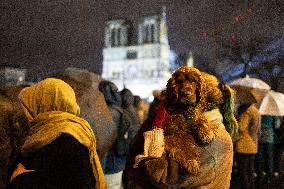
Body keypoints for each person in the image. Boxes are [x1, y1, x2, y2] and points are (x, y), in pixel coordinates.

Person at [123, 66, 238, 189]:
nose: (186, 90)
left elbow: (161, 177)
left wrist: (147, 160)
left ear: (202, 96)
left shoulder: (211, 137)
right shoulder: (220, 129)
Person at [8, 78, 106, 189]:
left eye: (30, 106)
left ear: (44, 104)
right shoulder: (50, 131)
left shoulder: (67, 140)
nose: (26, 113)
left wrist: (22, 179)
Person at [99, 81, 132, 189]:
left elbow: (104, 142)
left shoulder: (109, 113)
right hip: (119, 159)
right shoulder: (120, 110)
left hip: (110, 162)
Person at [234, 103, 261, 189]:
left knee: (243, 171)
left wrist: (236, 120)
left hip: (243, 145)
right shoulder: (256, 110)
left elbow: (241, 127)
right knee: (250, 170)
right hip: (252, 145)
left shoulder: (246, 111)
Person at [256, 115, 281, 183]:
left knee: (260, 157)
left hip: (260, 138)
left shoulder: (260, 114)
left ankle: (260, 174)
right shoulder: (273, 115)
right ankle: (269, 176)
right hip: (269, 138)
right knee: (269, 157)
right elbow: (277, 126)